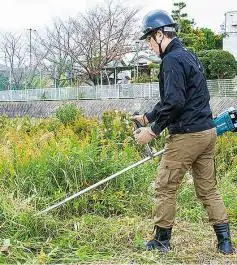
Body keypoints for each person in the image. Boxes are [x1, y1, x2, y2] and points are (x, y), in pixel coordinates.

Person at [132, 9, 234, 254]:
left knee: (165, 187)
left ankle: (161, 241)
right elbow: (176, 98)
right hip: (207, 132)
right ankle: (226, 244)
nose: (149, 46)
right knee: (208, 189)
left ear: (159, 34)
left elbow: (175, 103)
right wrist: (148, 116)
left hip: (187, 135)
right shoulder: (188, 55)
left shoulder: (171, 61)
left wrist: (152, 131)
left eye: (148, 39)